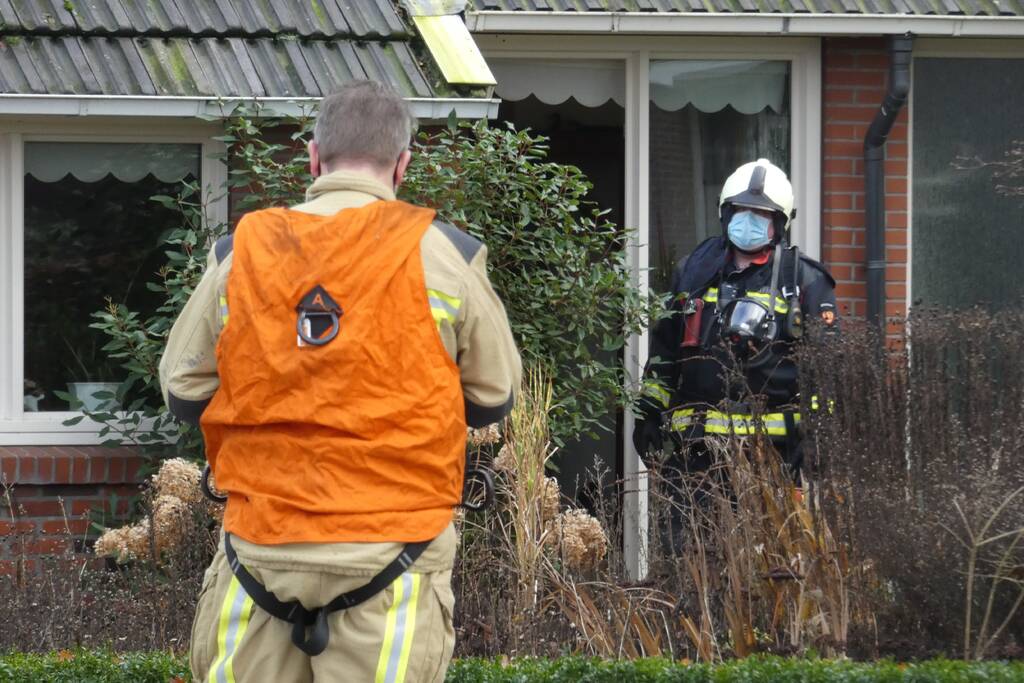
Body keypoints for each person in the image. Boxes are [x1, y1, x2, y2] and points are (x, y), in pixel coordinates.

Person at [160, 80, 521, 683]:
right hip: (392, 555)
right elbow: (494, 397)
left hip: (260, 551)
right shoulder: (447, 253)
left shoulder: (237, 253)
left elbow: (183, 391)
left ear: (312, 156)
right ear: (403, 165)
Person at [633, 158, 837, 548]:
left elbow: (827, 369)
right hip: (694, 461)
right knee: (690, 563)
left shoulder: (805, 281)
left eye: (761, 214)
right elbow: (662, 353)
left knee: (770, 570)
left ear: (780, 223)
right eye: (741, 212)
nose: (749, 222)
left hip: (773, 461)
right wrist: (648, 414)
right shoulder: (692, 274)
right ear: (725, 215)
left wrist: (814, 440)